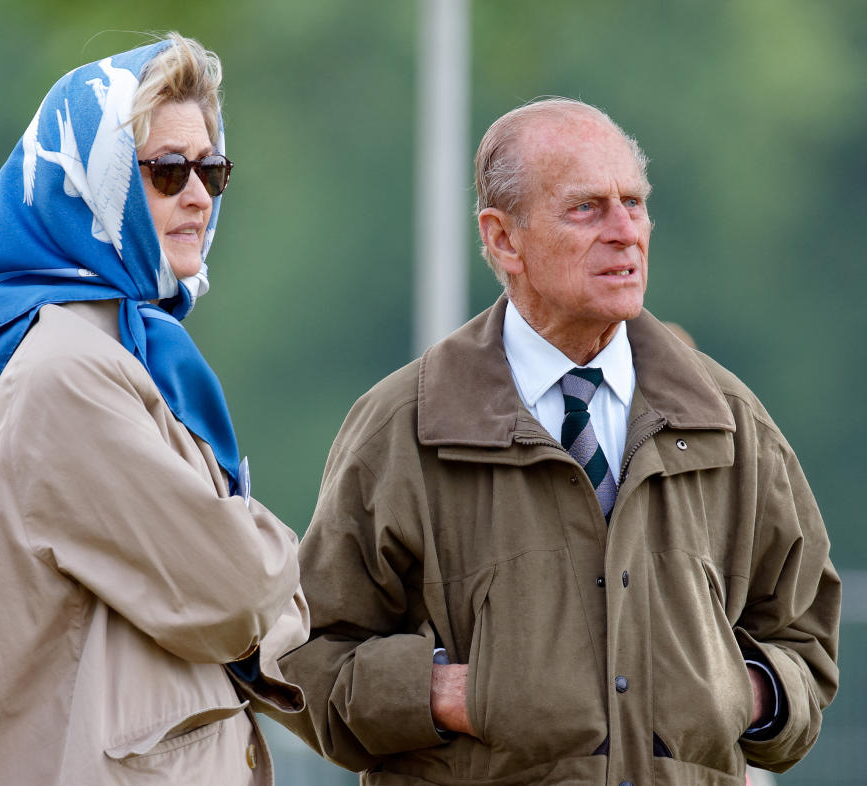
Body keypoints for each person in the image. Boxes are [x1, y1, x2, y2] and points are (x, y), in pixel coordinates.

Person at [276, 98, 840, 785]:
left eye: (634, 203)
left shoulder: (728, 419)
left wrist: (738, 692)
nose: (625, 232)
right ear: (503, 239)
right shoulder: (403, 426)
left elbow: (806, 642)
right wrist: (445, 695)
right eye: (587, 208)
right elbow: (305, 657)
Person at [0, 33, 308, 785]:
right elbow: (234, 596)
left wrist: (259, 589)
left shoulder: (124, 355)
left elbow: (237, 605)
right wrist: (272, 555)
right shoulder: (66, 370)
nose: (197, 194)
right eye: (165, 171)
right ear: (90, 181)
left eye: (211, 169)